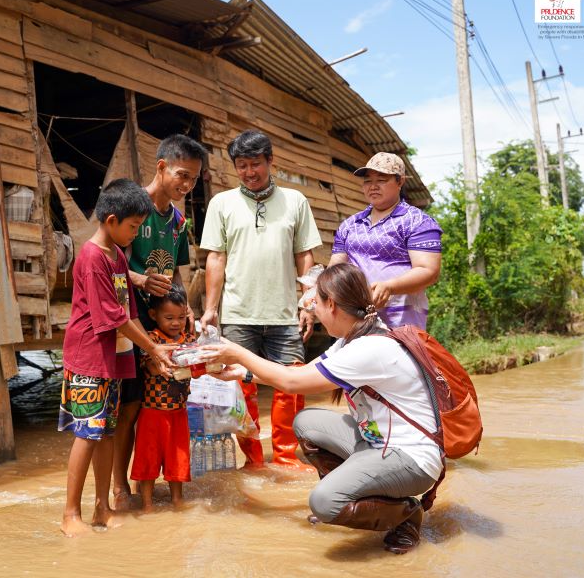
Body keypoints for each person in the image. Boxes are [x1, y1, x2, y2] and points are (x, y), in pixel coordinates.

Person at [203, 263, 442, 555]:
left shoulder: (369, 348)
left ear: (332, 304)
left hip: (411, 458)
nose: (312, 309)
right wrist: (244, 372)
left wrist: (237, 351)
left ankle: (406, 513)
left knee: (325, 502)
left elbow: (292, 382)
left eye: (315, 302)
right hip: (379, 442)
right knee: (307, 423)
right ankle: (361, 492)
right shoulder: (353, 339)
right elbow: (302, 373)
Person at [199, 130, 322, 468]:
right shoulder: (221, 203)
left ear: (271, 161)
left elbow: (304, 256)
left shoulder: (295, 201)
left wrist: (307, 303)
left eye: (256, 164)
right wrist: (211, 310)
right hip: (238, 313)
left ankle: (285, 457)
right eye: (241, 166)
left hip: (285, 314)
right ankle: (253, 459)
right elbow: (216, 259)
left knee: (292, 385)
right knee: (240, 386)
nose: (249, 172)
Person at [59, 178, 174, 537]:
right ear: (111, 220)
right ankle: (69, 515)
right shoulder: (93, 257)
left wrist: (148, 349)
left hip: (114, 357)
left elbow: (130, 311)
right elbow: (113, 317)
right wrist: (153, 348)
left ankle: (101, 508)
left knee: (106, 432)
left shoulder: (117, 255)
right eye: (133, 227)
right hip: (89, 357)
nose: (136, 234)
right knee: (87, 434)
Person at [113, 134, 207, 510]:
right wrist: (138, 279)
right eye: (182, 175)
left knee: (158, 403)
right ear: (162, 166)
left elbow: (178, 274)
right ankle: (121, 486)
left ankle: (151, 483)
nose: (186, 185)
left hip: (162, 326)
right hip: (128, 322)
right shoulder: (132, 206)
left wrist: (188, 312)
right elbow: (109, 258)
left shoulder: (179, 221)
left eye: (194, 180)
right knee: (129, 406)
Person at [329, 152, 441, 330]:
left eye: (381, 180)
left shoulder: (417, 221)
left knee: (398, 358)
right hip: (354, 320)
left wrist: (390, 287)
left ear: (400, 181)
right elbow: (335, 270)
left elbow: (429, 271)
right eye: (367, 181)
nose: (372, 186)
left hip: (401, 323)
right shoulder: (350, 225)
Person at [130, 284, 195, 512]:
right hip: (152, 412)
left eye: (181, 317)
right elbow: (147, 365)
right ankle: (147, 503)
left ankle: (177, 500)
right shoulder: (151, 339)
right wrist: (164, 362)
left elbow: (198, 366)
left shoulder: (189, 339)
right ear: (153, 315)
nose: (176, 323)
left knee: (178, 458)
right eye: (169, 318)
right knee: (148, 459)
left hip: (179, 412)